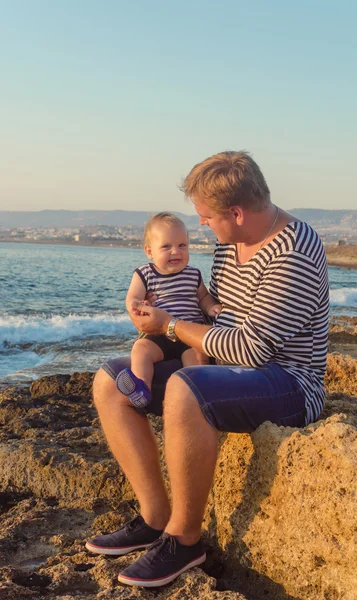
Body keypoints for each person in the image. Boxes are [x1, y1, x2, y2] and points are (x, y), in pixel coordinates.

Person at [86, 151, 329, 588]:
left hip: (290, 381)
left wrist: (172, 327)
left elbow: (253, 348)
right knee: (110, 382)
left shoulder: (294, 250)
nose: (201, 225)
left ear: (236, 212)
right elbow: (215, 314)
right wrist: (157, 321)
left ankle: (185, 539)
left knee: (184, 386)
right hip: (226, 368)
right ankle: (156, 517)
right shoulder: (229, 242)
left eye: (206, 216)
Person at [117, 212, 222, 409]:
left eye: (182, 245)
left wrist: (211, 307)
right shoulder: (145, 273)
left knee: (199, 357)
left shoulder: (193, 274)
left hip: (188, 333)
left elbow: (203, 297)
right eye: (166, 246)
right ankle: (141, 387)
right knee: (140, 350)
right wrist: (138, 306)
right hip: (158, 334)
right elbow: (133, 297)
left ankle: (199, 395)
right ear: (150, 252)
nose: (176, 252)